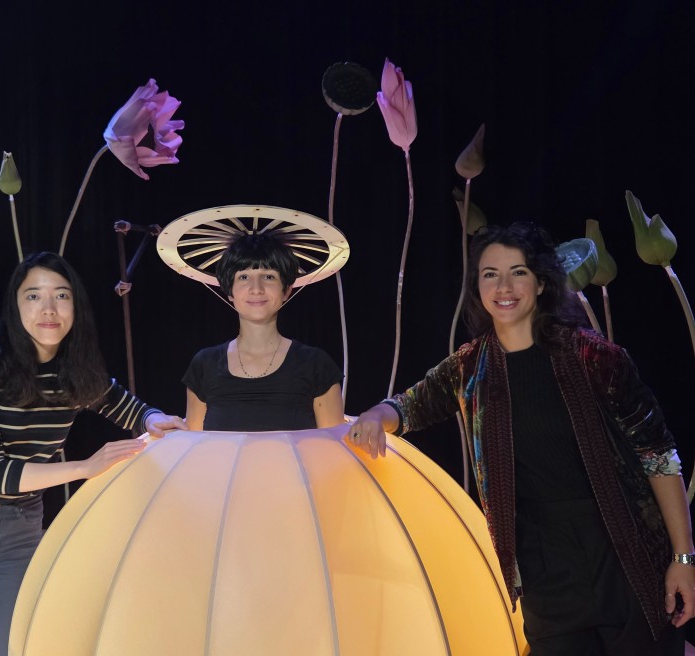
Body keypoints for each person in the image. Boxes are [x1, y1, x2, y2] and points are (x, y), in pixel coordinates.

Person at [347, 222, 695, 655]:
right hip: (543, 569)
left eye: (518, 272)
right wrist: (376, 416)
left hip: (625, 556)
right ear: (477, 286)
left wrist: (683, 558)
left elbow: (659, 456)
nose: (504, 287)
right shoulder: (470, 367)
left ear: (542, 282)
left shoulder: (595, 357)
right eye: (490, 274)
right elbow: (410, 405)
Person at [0, 252, 186, 656]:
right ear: (15, 306)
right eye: (34, 296)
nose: (49, 308)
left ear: (75, 306)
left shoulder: (75, 369)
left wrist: (153, 418)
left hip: (18, 531)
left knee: (12, 649)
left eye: (61, 296)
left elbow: (118, 402)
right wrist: (87, 467)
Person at [183, 232, 345, 431]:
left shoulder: (316, 364)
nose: (256, 289)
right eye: (244, 277)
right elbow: (195, 444)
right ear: (229, 291)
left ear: (286, 290)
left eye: (269, 277)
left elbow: (332, 444)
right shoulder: (204, 364)